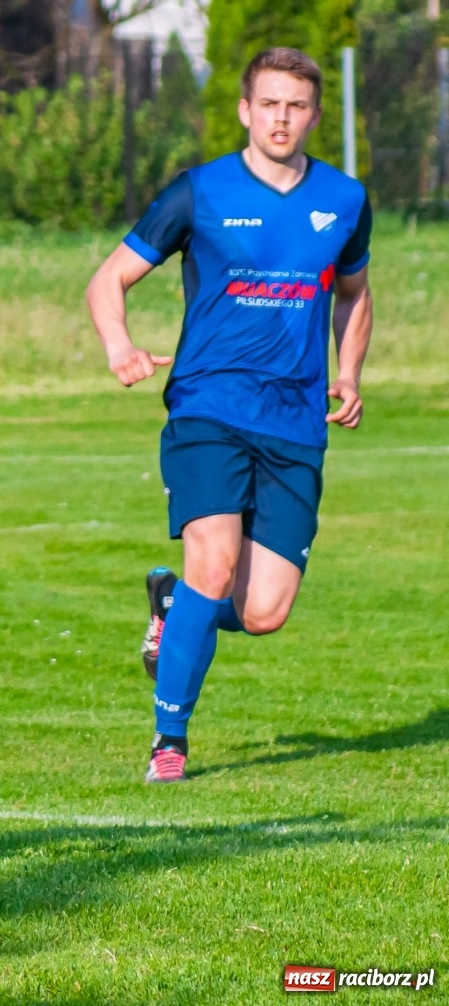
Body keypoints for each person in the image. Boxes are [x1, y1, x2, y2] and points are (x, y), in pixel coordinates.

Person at [85, 46, 374, 784]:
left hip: (296, 421)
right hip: (207, 407)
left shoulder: (344, 200)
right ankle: (168, 743)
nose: (282, 118)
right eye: (269, 103)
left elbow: (354, 293)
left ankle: (173, 606)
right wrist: (118, 343)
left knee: (266, 610)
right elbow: (108, 280)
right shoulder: (198, 192)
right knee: (212, 559)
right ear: (246, 110)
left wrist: (348, 372)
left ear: (314, 115)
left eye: (297, 106)